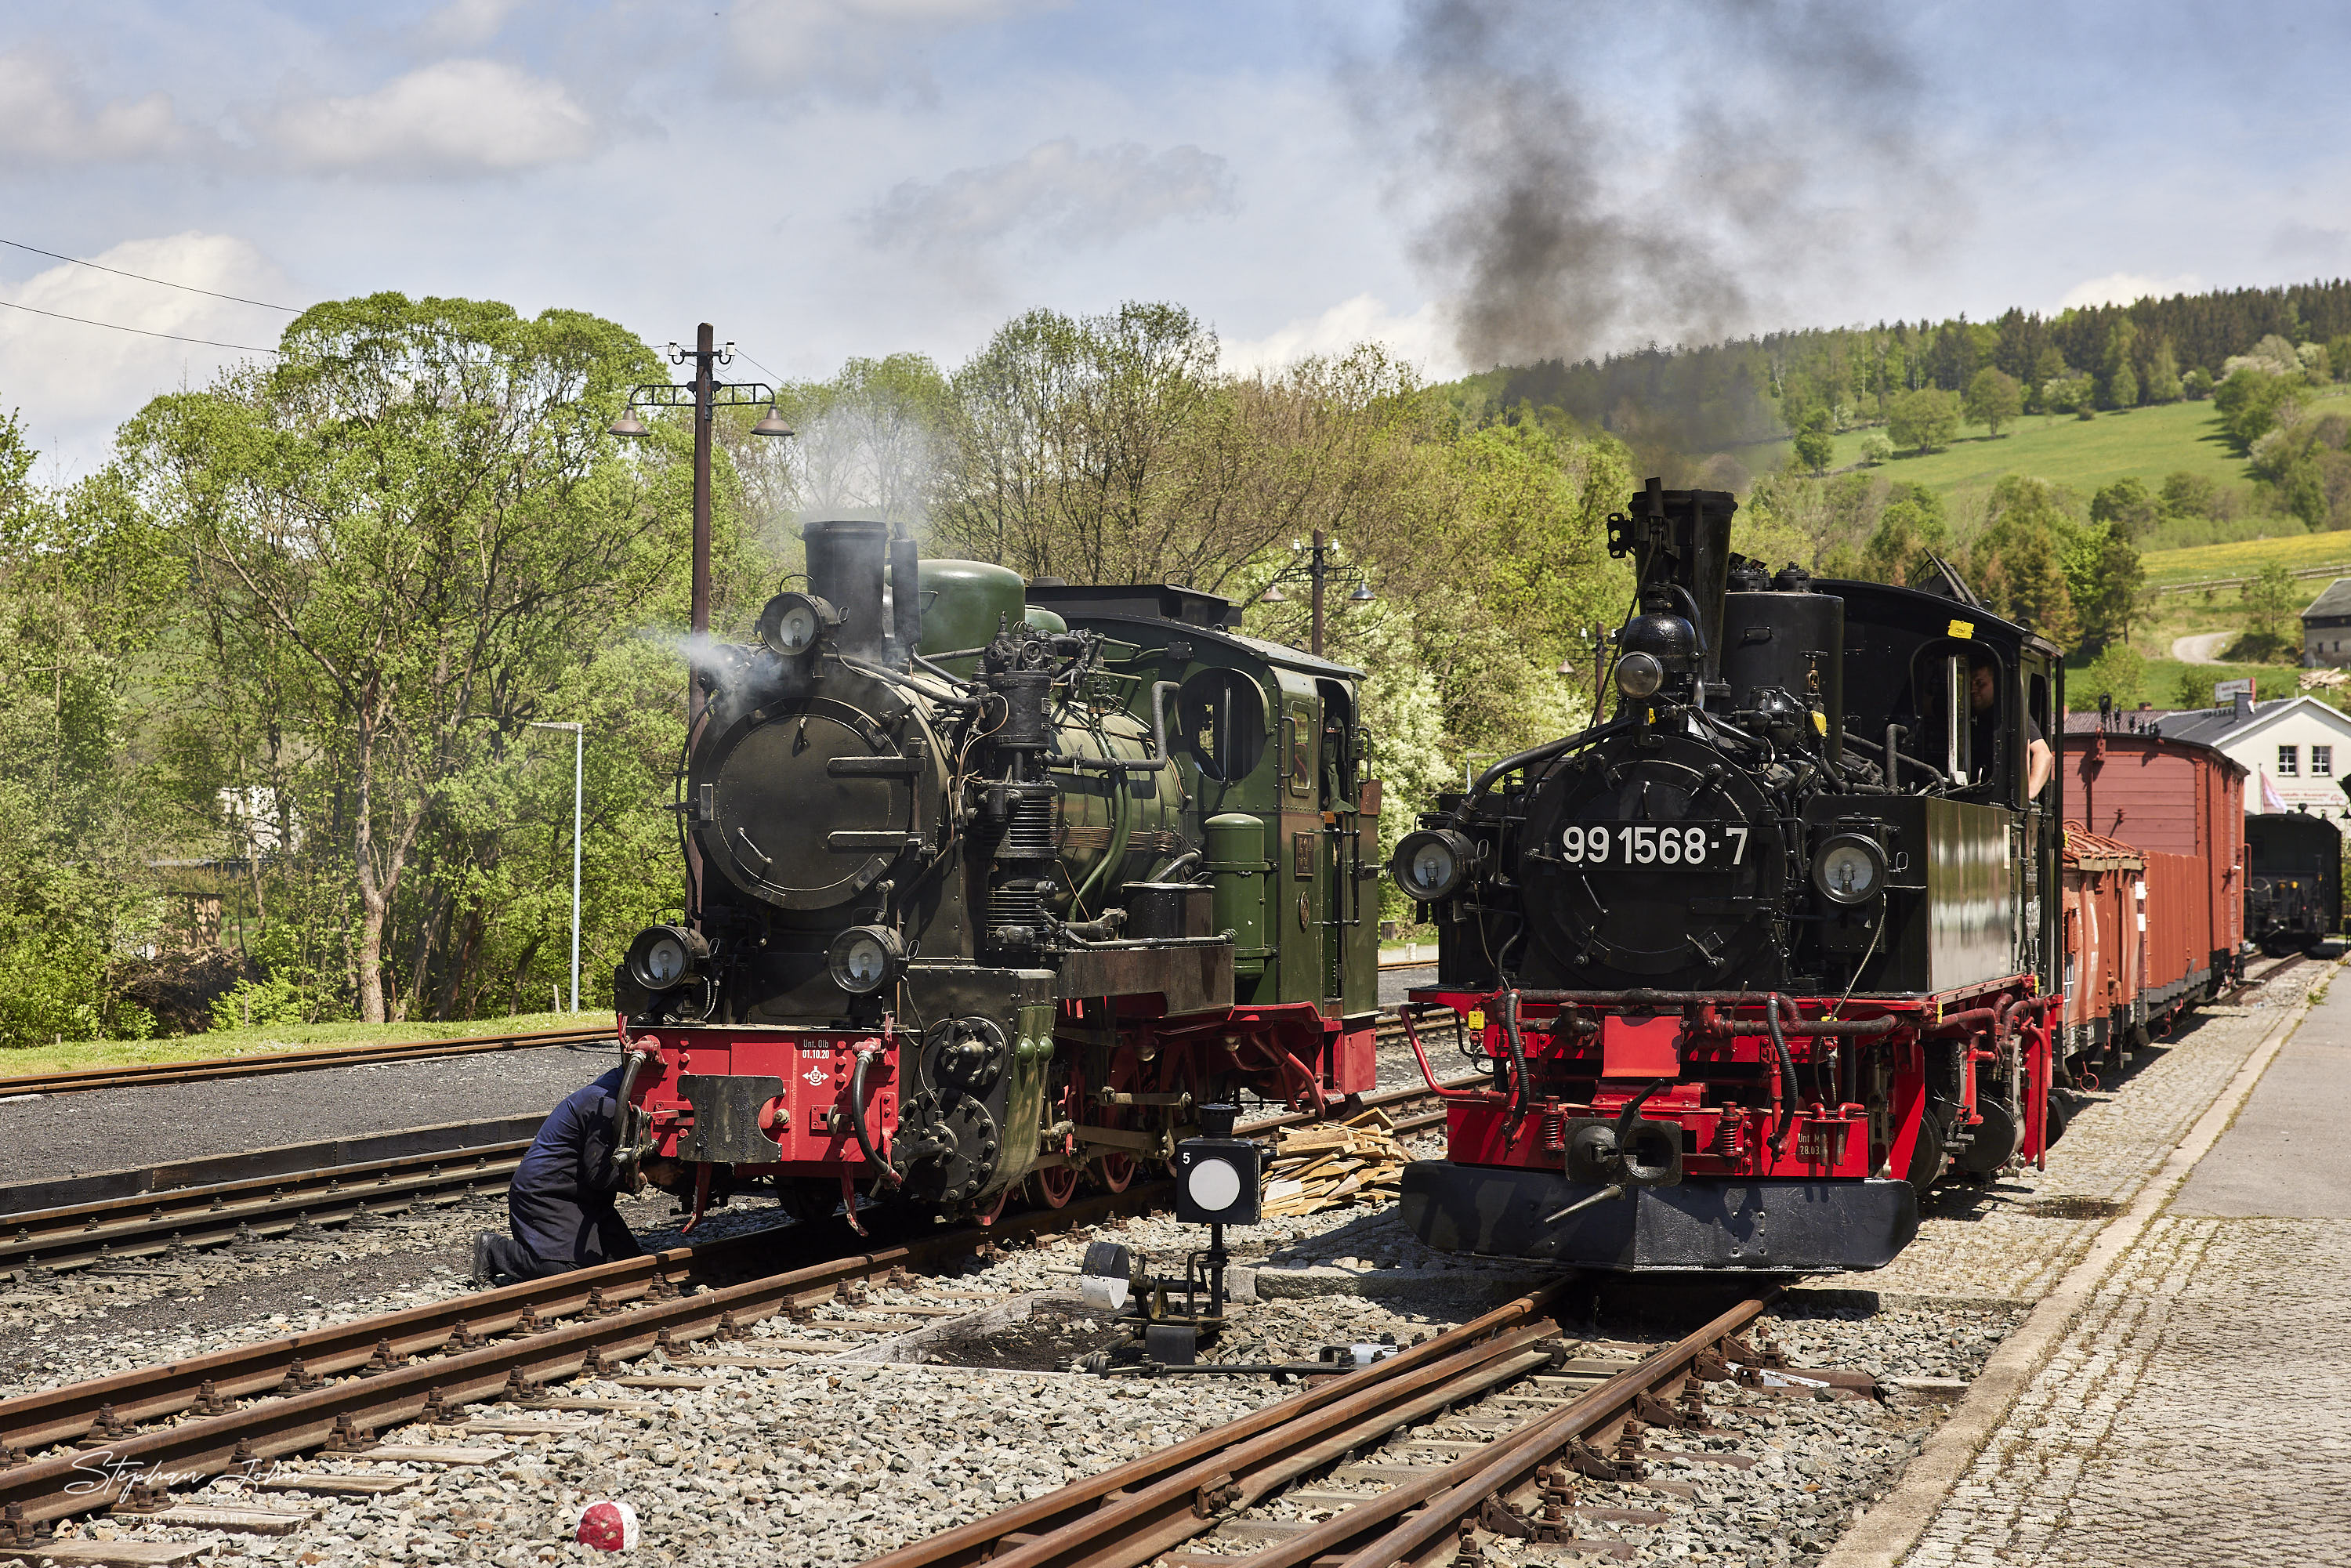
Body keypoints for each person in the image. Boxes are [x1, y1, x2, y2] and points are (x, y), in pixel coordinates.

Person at [473, 1065, 679, 1285]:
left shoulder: (615, 1092)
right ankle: (494, 1249)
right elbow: (599, 1175)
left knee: (629, 1265)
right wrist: (645, 1174)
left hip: (584, 1197)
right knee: (570, 1272)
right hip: (546, 1195)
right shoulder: (606, 1105)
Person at [1969, 650, 2052, 800]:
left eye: (1980, 683)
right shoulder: (1962, 710)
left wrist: (2028, 793)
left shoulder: (2011, 715)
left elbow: (2043, 754)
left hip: (1997, 797)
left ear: (1996, 684)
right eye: (1969, 684)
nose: (1972, 689)